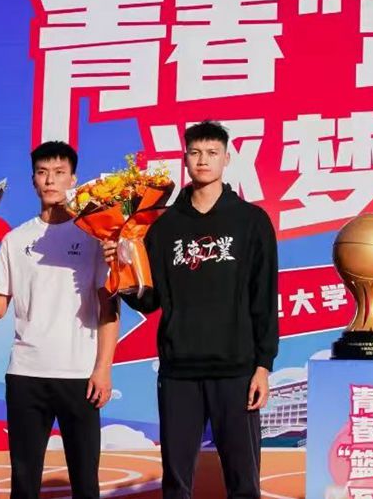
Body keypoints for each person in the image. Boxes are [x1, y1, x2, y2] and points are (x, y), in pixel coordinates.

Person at [107, 120, 279, 499]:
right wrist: (120, 272)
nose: (203, 160)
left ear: (226, 159)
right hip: (179, 371)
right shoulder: (163, 224)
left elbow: (264, 296)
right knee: (176, 483)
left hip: (235, 370)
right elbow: (150, 300)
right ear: (185, 158)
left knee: (244, 482)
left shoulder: (251, 221)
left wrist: (263, 366)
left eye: (212, 153)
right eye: (196, 152)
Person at [0, 141, 118, 499]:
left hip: (79, 376)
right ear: (33, 179)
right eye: (42, 172)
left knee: (85, 481)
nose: (50, 180)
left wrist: (103, 369)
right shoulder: (15, 239)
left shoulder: (94, 237)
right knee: (24, 480)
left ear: (73, 179)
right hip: (26, 375)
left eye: (59, 172)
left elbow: (109, 309)